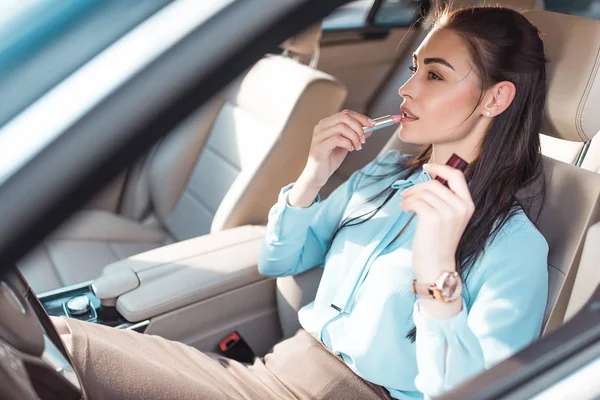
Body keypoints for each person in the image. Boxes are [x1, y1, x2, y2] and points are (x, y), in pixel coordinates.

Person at [54, 5, 549, 400]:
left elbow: (471, 392)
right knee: (53, 344)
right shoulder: (383, 176)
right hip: (270, 373)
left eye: (434, 76)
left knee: (65, 351)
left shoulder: (515, 247)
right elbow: (279, 259)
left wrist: (437, 271)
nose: (406, 87)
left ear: (495, 99)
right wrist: (314, 174)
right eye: (415, 67)